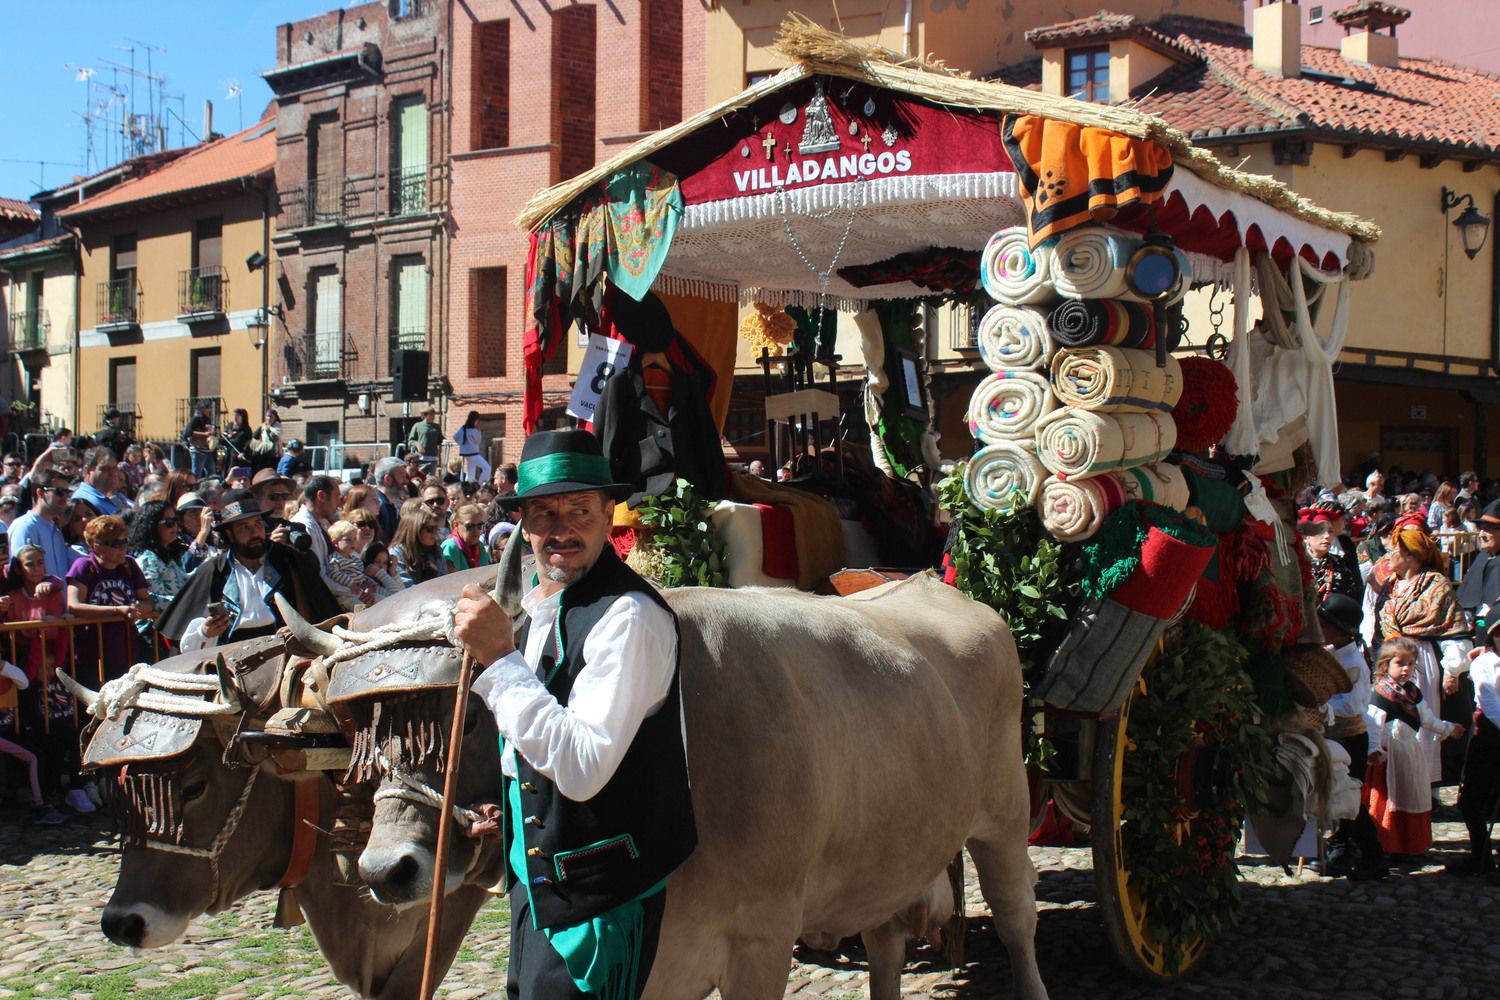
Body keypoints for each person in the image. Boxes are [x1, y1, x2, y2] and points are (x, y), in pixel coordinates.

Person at [451, 428, 695, 999]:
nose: (560, 529)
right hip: (537, 879)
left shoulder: (627, 617)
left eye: (579, 510)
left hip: (597, 894)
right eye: (542, 514)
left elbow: (583, 767)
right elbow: (538, 731)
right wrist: (509, 794)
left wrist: (498, 658)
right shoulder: (546, 603)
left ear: (610, 514)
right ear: (523, 526)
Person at [157, 490, 340, 651]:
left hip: (287, 650)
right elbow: (185, 636)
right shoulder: (214, 571)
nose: (254, 533)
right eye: (244, 527)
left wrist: (300, 628)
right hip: (231, 656)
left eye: (258, 524)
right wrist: (205, 632)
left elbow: (322, 612)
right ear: (229, 533)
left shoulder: (289, 561)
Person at [1365, 518, 1473, 785]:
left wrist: (1452, 670)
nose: (1389, 555)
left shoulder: (1435, 584)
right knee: (1387, 717)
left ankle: (1421, 785)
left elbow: (1452, 626)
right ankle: (1389, 781)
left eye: (1395, 551)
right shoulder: (1391, 584)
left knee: (1418, 718)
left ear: (1411, 556)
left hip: (1420, 658)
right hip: (1390, 656)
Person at [1364, 637, 1465, 864]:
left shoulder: (1414, 694)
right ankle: (1388, 844)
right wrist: (1374, 749)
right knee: (1391, 798)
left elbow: (1427, 719)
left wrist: (1448, 728)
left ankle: (1411, 846)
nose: (1406, 669)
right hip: (1388, 757)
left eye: (1410, 663)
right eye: (1400, 663)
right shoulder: (1380, 694)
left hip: (1409, 754)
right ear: (1385, 665)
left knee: (1413, 794)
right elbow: (1373, 724)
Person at [3, 544, 80, 814]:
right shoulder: (13, 596)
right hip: (25, 667)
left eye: (40, 563)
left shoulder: (53, 589)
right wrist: (40, 626)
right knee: (34, 730)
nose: (37, 569)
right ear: (19, 568)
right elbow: (16, 634)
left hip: (51, 664)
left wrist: (58, 620)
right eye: (30, 564)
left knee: (61, 725)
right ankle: (40, 793)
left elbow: (58, 629)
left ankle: (66, 788)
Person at [1320, 593, 1387, 880]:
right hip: (1335, 734)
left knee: (1349, 801)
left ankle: (1373, 858)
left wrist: (1319, 702)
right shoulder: (1332, 652)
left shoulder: (1354, 663)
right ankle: (1341, 848)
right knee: (1338, 796)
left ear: (1339, 629)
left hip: (1350, 738)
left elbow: (1353, 705)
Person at [65, 515, 152, 684]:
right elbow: (73, 605)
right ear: (96, 546)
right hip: (92, 656)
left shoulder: (130, 566)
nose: (122, 549)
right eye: (115, 544)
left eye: (124, 542)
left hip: (127, 652)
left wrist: (135, 608)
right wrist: (116, 611)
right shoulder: (84, 567)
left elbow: (147, 602)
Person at [290, 475, 357, 608]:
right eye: (336, 496)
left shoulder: (318, 523)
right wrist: (353, 591)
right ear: (321, 496)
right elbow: (319, 575)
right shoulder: (305, 526)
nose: (339, 504)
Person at [127, 500, 190, 618]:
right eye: (169, 523)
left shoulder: (169, 555)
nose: (175, 526)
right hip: (154, 628)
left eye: (176, 521)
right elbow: (150, 598)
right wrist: (186, 603)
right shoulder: (147, 559)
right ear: (152, 525)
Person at [8, 470, 75, 581]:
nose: (64, 497)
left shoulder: (56, 530)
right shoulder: (25, 526)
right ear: (40, 493)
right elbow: (21, 576)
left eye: (67, 492)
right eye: (59, 492)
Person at [1300, 501, 1362, 603]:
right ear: (1306, 537)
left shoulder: (1340, 565)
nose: (1327, 536)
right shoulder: (1296, 564)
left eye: (1330, 531)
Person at [1457, 500, 1500, 646]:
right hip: (1475, 627)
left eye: (1488, 529)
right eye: (1481, 528)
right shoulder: (1483, 556)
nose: (1481, 534)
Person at [387, 506, 447, 587]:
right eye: (429, 529)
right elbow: (406, 586)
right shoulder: (396, 553)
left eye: (436, 528)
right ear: (415, 530)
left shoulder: (436, 550)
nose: (434, 533)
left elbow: (445, 580)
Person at [326, 520, 376, 611]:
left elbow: (361, 574)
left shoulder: (356, 559)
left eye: (354, 539)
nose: (353, 543)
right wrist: (351, 583)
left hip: (360, 591)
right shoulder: (335, 559)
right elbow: (334, 573)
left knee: (382, 600)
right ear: (335, 543)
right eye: (348, 540)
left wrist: (368, 583)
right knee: (361, 609)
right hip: (346, 595)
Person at [71, 446, 124, 516]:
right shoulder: (83, 502)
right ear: (87, 471)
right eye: (105, 469)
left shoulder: (112, 497)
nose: (113, 473)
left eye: (115, 468)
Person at [441, 503, 491, 572]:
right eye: (470, 526)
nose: (476, 530)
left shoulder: (479, 546)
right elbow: (454, 579)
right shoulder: (450, 546)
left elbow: (486, 573)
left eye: (479, 525)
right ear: (456, 525)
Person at [371, 456, 409, 542]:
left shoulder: (391, 505)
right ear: (387, 479)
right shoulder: (379, 506)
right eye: (402, 476)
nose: (406, 481)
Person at [453, 410, 491, 484]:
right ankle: (480, 484)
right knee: (487, 468)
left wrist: (462, 444)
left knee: (471, 472)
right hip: (473, 453)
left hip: (466, 453)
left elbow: (455, 437)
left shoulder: (463, 428)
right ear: (475, 420)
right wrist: (478, 431)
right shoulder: (474, 430)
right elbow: (478, 441)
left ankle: (469, 486)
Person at [183, 406, 215, 479]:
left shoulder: (207, 420)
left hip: (207, 449)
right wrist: (205, 434)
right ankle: (194, 486)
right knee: (197, 473)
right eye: (208, 410)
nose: (209, 411)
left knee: (211, 472)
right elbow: (188, 432)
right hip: (198, 450)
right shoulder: (196, 419)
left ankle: (210, 486)